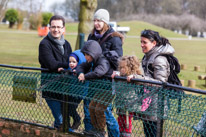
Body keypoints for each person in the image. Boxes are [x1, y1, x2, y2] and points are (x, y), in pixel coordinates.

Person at [127, 29, 174, 137]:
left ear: (154, 43)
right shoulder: (147, 56)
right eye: (141, 42)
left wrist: (138, 78)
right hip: (147, 102)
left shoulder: (159, 59)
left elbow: (161, 83)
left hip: (157, 106)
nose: (141, 45)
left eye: (144, 42)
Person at [87, 8, 123, 137]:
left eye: (100, 21)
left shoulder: (114, 38)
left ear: (105, 22)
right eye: (95, 20)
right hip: (95, 77)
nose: (96, 23)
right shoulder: (92, 36)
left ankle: (113, 134)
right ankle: (98, 131)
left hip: (108, 79)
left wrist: (105, 57)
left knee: (103, 110)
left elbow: (119, 59)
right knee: (92, 107)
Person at [38, 15, 72, 129]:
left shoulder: (67, 44)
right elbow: (52, 64)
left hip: (65, 88)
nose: (56, 29)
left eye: (58, 27)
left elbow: (71, 62)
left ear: (63, 28)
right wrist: (69, 65)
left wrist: (67, 66)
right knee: (60, 120)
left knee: (66, 120)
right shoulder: (44, 44)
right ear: (49, 27)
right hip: (51, 87)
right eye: (53, 27)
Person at [77, 40, 113, 137]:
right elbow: (81, 66)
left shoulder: (103, 61)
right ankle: (95, 128)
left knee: (99, 109)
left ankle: (101, 130)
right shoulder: (93, 61)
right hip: (100, 89)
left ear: (92, 53)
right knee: (91, 106)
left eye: (86, 55)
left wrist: (85, 76)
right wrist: (80, 72)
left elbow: (99, 72)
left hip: (108, 89)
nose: (85, 57)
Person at [111, 55, 142, 137]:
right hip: (120, 103)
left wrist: (133, 77)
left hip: (129, 105)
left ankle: (126, 134)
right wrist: (115, 75)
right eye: (120, 67)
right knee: (120, 119)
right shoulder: (120, 76)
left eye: (124, 67)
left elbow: (141, 79)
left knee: (127, 121)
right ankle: (120, 133)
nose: (122, 69)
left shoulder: (133, 77)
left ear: (130, 67)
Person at [67, 50, 86, 131]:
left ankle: (77, 120)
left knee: (71, 107)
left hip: (78, 93)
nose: (71, 63)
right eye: (70, 61)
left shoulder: (80, 71)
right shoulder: (70, 70)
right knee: (67, 107)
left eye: (74, 62)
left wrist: (78, 72)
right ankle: (73, 122)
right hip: (71, 92)